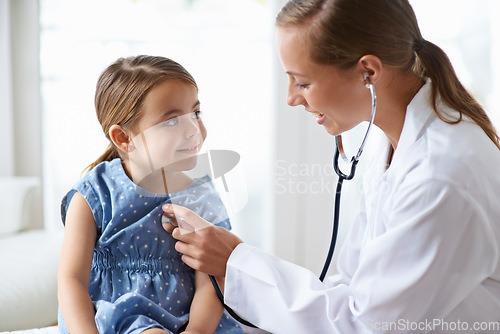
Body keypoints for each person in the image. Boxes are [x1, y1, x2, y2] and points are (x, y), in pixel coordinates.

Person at [162, 0, 500, 333]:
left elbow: (366, 325)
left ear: (368, 72)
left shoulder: (440, 176)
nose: (292, 98)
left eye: (303, 82)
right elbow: (357, 290)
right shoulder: (390, 142)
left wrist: (235, 260)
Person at [57, 55, 244, 334]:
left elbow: (212, 278)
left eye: (195, 114)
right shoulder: (94, 195)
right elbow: (71, 279)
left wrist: (196, 332)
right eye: (171, 122)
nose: (194, 131)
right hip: (120, 314)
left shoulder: (199, 192)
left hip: (192, 318)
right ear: (123, 138)